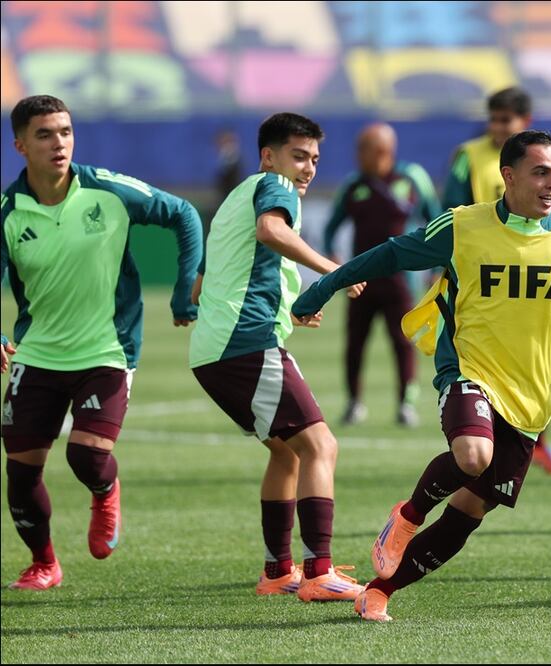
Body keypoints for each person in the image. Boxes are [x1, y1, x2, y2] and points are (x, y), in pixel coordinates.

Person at [292, 129, 551, 621]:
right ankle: (406, 516)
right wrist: (324, 286)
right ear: (508, 176)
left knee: (468, 513)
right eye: (539, 172)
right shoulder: (463, 227)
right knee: (472, 454)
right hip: (467, 371)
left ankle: (380, 591)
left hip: (533, 396)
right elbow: (390, 254)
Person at [1, 94, 202, 590]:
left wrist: (183, 291)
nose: (59, 143)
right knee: (21, 475)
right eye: (45, 134)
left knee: (85, 456)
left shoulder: (107, 190)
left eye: (66, 132)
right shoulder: (7, 212)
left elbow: (184, 215)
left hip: (107, 351)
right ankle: (44, 562)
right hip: (38, 353)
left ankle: (105, 488)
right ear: (20, 144)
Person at [188, 112, 364, 602]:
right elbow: (269, 231)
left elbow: (212, 272)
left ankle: (278, 571)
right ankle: (318, 572)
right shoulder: (275, 188)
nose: (307, 168)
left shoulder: (239, 193)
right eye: (298, 156)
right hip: (244, 343)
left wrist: (290, 308)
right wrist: (334, 272)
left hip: (219, 348)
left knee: (287, 453)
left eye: (313, 159)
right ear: (269, 156)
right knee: (321, 446)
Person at [443, 86, 551, 478]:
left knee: (539, 363)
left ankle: (540, 445)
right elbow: (450, 207)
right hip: (483, 274)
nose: (498, 126)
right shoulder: (468, 156)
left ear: (525, 123)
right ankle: (477, 433)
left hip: (529, 273)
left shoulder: (534, 158)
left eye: (507, 120)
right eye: (494, 118)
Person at [323, 123, 442, 427]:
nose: (356, 155)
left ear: (381, 151)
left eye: (361, 149)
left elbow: (438, 221)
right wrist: (334, 258)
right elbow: (330, 228)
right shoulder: (353, 185)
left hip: (401, 280)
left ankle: (406, 404)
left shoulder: (411, 178)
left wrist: (437, 267)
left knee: (403, 342)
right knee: (355, 343)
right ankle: (353, 403)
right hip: (360, 281)